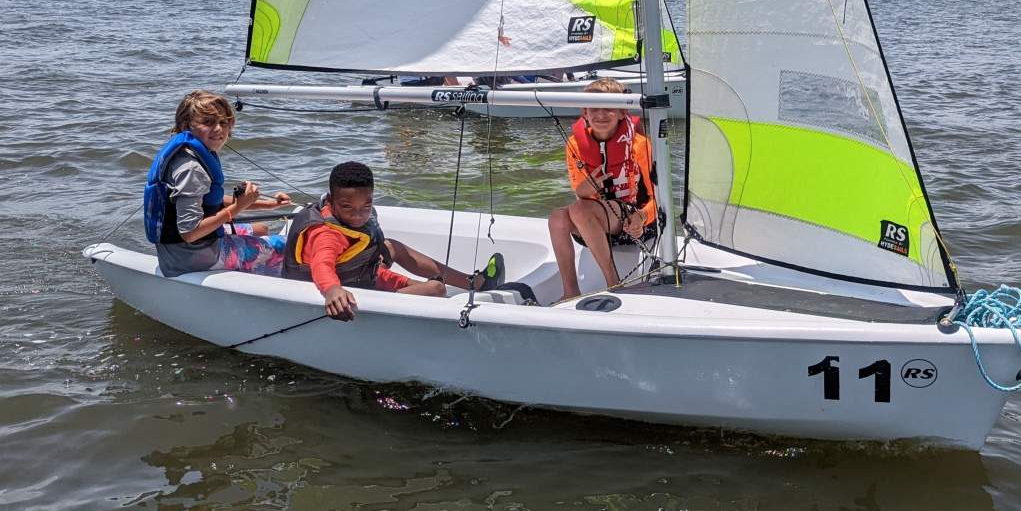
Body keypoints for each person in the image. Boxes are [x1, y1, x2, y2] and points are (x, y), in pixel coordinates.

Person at [281, 161, 505, 321]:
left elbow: (360, 264)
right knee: (436, 289)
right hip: (343, 290)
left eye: (365, 207)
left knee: (391, 247)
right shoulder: (326, 234)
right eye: (347, 207)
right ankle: (440, 291)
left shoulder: (348, 220)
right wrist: (331, 290)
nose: (358, 215)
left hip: (358, 275)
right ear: (331, 200)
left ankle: (473, 283)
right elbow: (322, 264)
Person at [144, 90, 291, 278]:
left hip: (183, 251)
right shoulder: (191, 169)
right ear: (185, 125)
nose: (219, 129)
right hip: (195, 257)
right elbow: (190, 232)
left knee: (260, 229)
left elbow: (209, 201)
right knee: (287, 245)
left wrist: (269, 205)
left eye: (223, 122)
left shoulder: (187, 153)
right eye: (208, 122)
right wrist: (238, 207)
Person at [547, 78, 659, 300]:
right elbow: (580, 194)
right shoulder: (574, 145)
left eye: (608, 108)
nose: (601, 115)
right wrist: (587, 187)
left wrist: (642, 217)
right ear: (585, 113)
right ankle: (570, 292)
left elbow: (659, 198)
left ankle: (614, 283)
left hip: (634, 225)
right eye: (594, 109)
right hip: (594, 225)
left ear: (621, 113)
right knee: (557, 218)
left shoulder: (640, 145)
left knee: (580, 210)